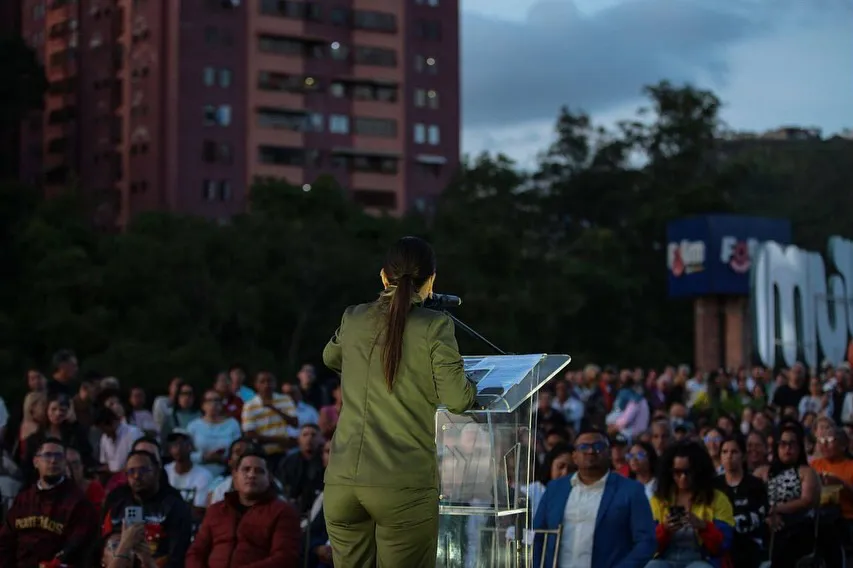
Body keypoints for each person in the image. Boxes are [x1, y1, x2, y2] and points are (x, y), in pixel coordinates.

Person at [321, 236, 476, 568]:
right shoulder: (435, 325)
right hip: (401, 484)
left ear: (383, 276)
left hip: (342, 481)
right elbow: (458, 399)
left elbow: (330, 357)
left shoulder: (354, 317)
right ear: (431, 280)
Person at [532, 428, 657, 568]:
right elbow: (537, 535)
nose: (591, 451)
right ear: (574, 456)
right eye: (584, 447)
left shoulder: (631, 491)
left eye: (598, 446)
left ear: (609, 454)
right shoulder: (555, 489)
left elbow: (646, 542)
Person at [186, 451, 301, 568]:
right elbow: (196, 552)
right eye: (246, 469)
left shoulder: (283, 512)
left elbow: (285, 558)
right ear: (235, 476)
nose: (251, 475)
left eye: (259, 471)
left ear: (269, 478)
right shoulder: (216, 510)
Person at [0, 438, 98, 567]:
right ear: (36, 462)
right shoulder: (23, 499)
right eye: (47, 455)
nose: (53, 461)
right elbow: (6, 541)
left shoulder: (78, 502)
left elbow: (79, 546)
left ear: (64, 463)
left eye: (58, 456)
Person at [647, 441, 734, 568]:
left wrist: (703, 527)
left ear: (699, 471)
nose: (683, 477)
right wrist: (664, 529)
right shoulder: (658, 500)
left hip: (702, 559)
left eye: (688, 472)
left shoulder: (718, 500)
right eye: (677, 472)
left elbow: (724, 545)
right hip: (664, 558)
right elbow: (646, 545)